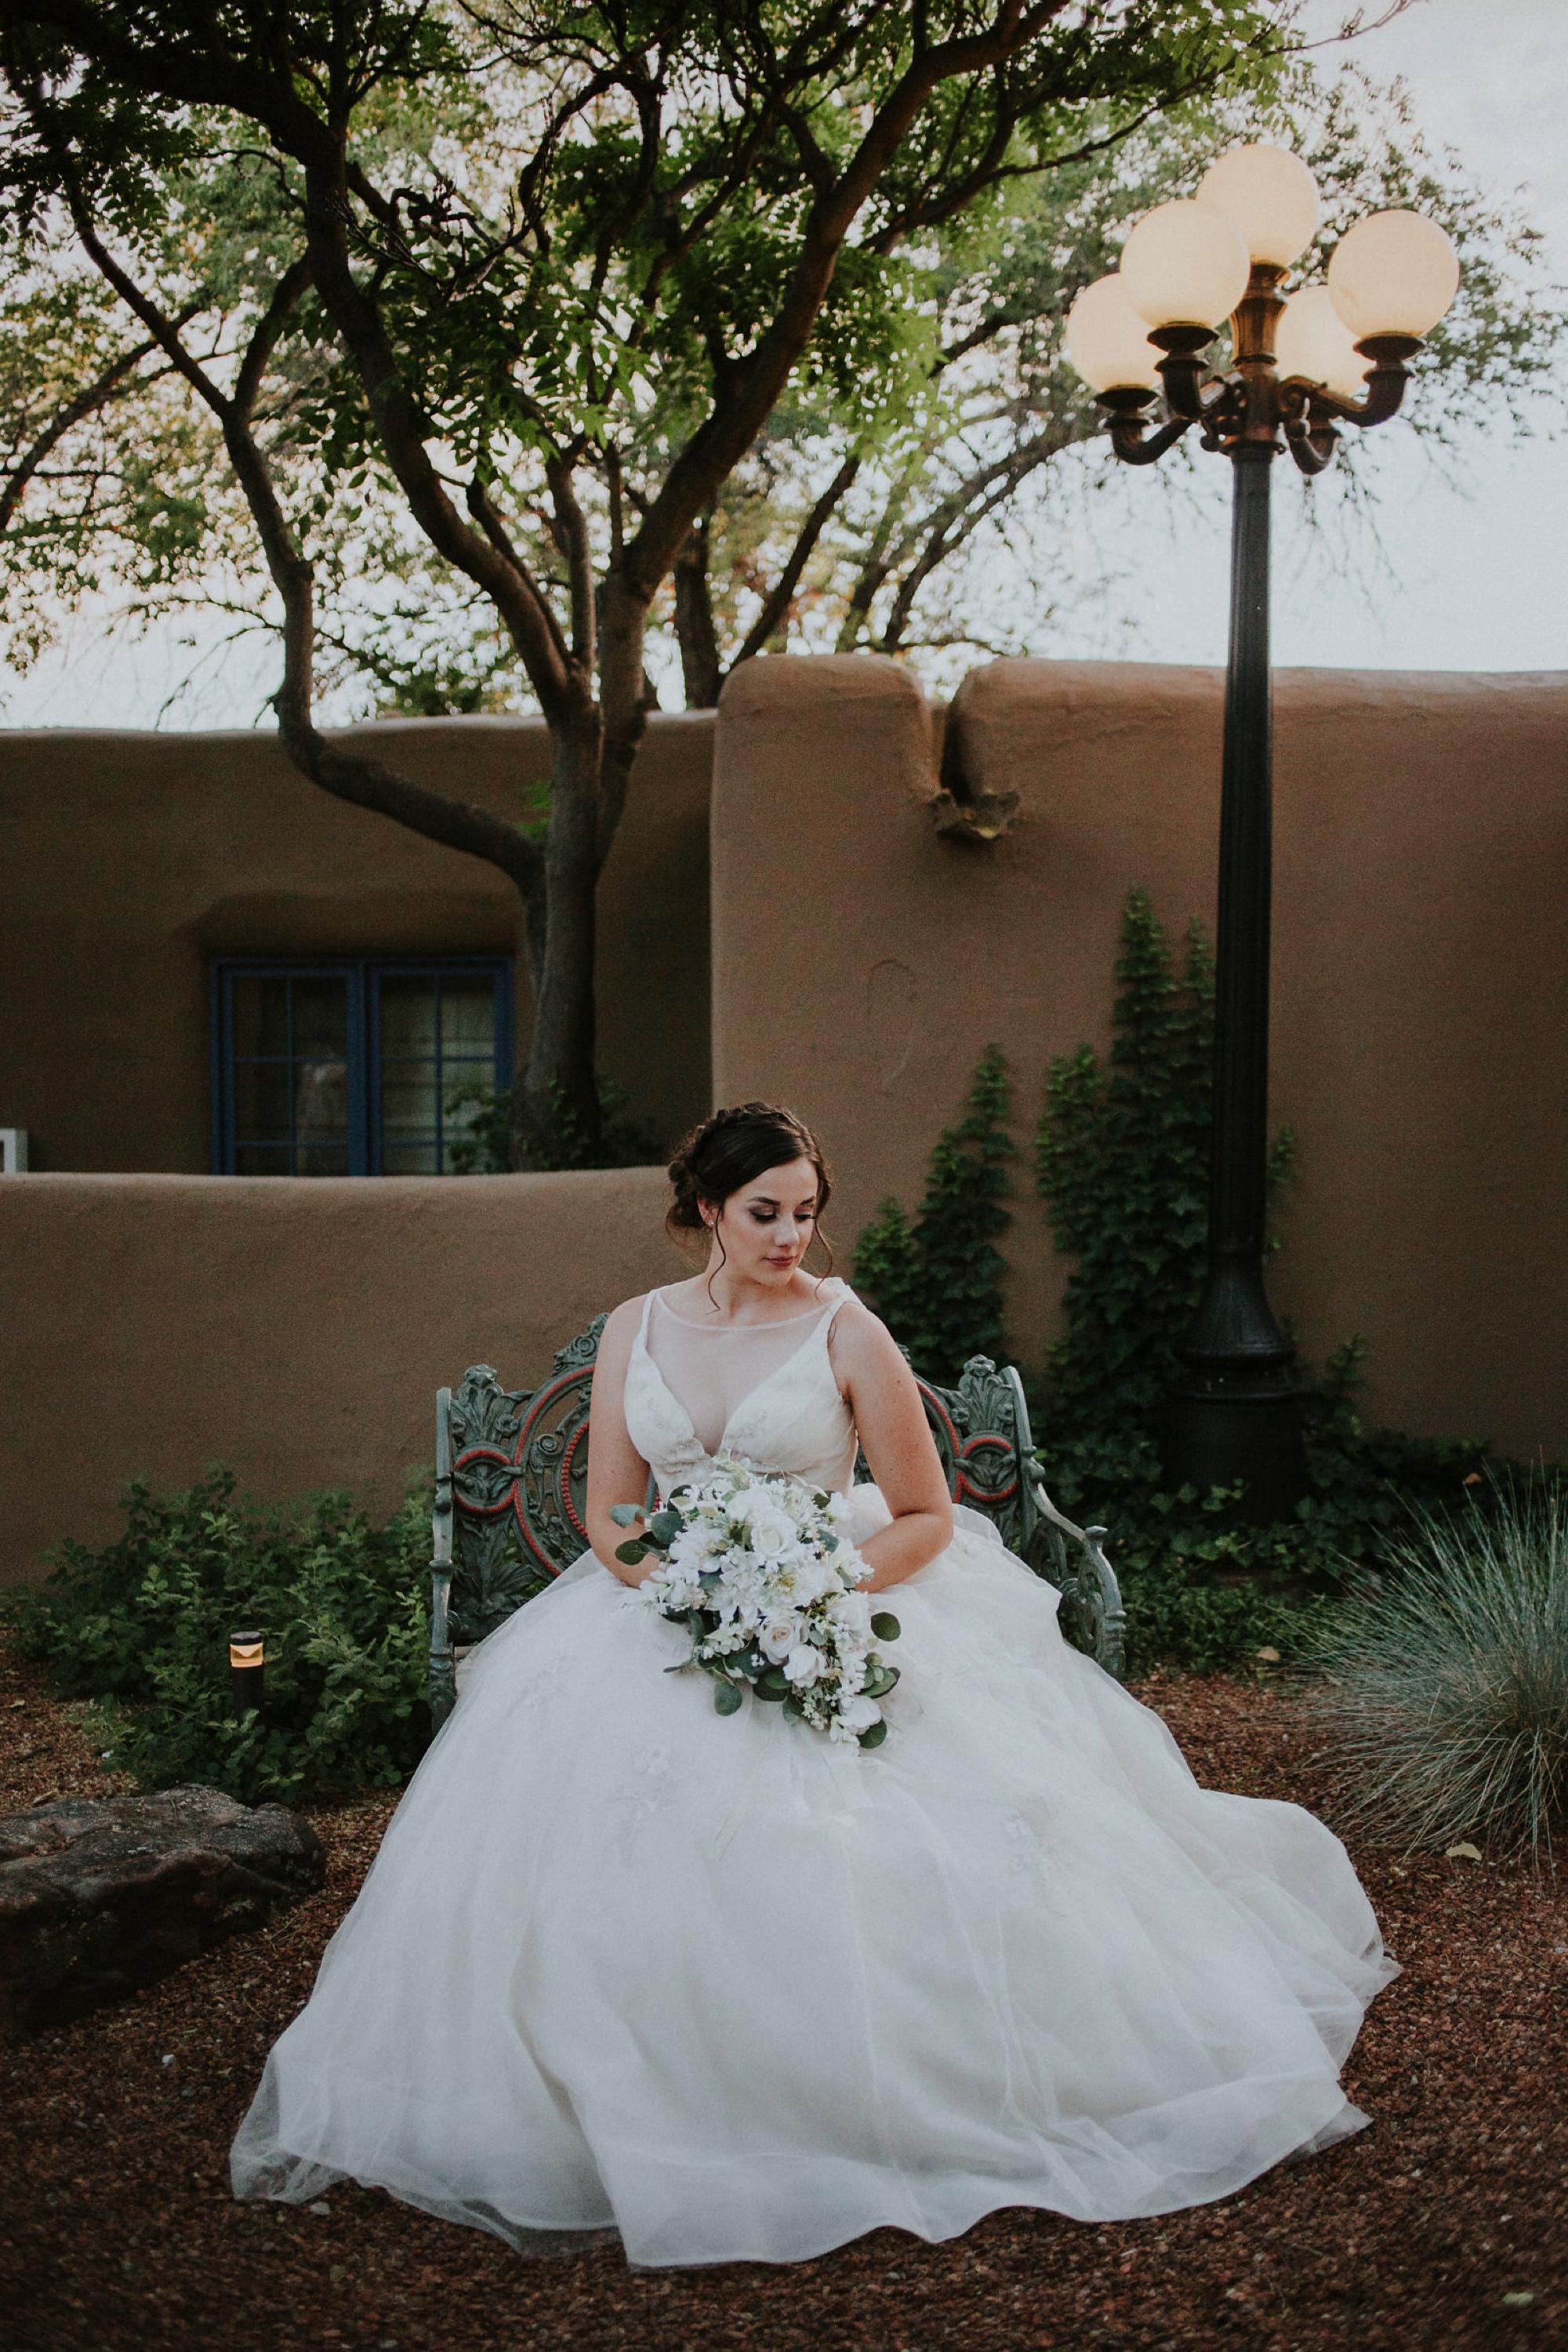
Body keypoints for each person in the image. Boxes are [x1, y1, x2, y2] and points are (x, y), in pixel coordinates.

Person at [231, 1102, 1395, 2269]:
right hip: (658, 1609)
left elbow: (929, 1514)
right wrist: (681, 1589)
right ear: (705, 1211)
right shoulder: (635, 1328)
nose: (790, 1237)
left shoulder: (846, 1330)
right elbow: (609, 1512)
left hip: (835, 1599)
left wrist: (805, 1590)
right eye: (764, 1213)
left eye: (805, 1214)